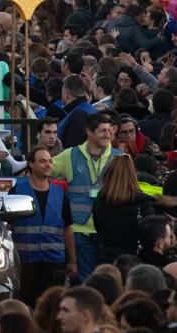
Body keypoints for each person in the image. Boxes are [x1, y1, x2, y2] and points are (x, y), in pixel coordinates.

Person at [53, 112, 124, 280]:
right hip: (80, 230)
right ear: (89, 132)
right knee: (84, 280)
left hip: (107, 229)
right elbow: (46, 169)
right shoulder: (70, 155)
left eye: (109, 130)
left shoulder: (119, 158)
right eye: (102, 131)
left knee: (106, 280)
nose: (107, 135)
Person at [12, 148, 75, 304]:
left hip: (54, 264)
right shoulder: (17, 191)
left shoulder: (60, 193)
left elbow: (68, 229)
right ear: (31, 164)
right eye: (42, 161)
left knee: (52, 308)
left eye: (50, 161)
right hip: (26, 263)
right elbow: (8, 226)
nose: (48, 165)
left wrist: (73, 261)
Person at [92, 155, 156, 267]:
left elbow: (98, 227)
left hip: (106, 257)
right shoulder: (142, 202)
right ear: (132, 174)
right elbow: (150, 233)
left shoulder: (101, 200)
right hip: (133, 258)